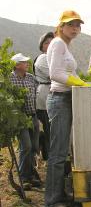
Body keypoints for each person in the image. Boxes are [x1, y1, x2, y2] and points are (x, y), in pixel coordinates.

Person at [45, 10, 89, 207]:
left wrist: (81, 79)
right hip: (59, 99)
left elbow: (67, 72)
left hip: (66, 99)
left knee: (63, 151)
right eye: (71, 24)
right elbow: (55, 73)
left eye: (77, 25)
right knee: (57, 154)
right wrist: (75, 81)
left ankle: (59, 195)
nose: (75, 28)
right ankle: (52, 204)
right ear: (61, 26)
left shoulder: (65, 45)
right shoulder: (57, 43)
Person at [10, 53, 40, 190]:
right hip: (20, 119)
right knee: (26, 146)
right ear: (17, 65)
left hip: (32, 116)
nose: (27, 64)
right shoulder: (10, 79)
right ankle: (23, 176)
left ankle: (30, 175)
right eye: (24, 62)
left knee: (34, 147)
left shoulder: (31, 78)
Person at [34, 32, 55, 161]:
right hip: (44, 94)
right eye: (46, 42)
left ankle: (49, 153)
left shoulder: (54, 58)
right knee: (49, 128)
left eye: (52, 42)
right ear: (42, 46)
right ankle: (49, 156)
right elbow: (53, 74)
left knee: (52, 128)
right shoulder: (43, 58)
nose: (50, 45)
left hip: (52, 92)